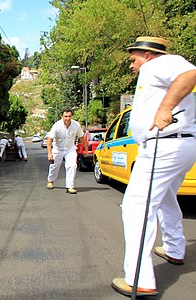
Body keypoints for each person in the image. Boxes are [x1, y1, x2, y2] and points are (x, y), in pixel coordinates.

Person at [111, 36, 196, 297]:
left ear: (148, 55)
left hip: (165, 144)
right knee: (166, 198)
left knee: (137, 206)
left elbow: (191, 74)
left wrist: (165, 109)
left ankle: (139, 278)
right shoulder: (156, 70)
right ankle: (174, 248)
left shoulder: (159, 64)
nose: (131, 65)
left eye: (133, 58)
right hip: (179, 145)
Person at [46, 109, 87, 194]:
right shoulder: (57, 125)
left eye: (69, 116)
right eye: (65, 116)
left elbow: (82, 138)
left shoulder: (76, 125)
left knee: (72, 166)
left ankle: (70, 187)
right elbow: (49, 139)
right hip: (58, 149)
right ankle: (50, 180)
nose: (67, 118)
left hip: (70, 149)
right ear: (62, 117)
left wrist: (85, 149)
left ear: (71, 117)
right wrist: (49, 153)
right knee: (54, 166)